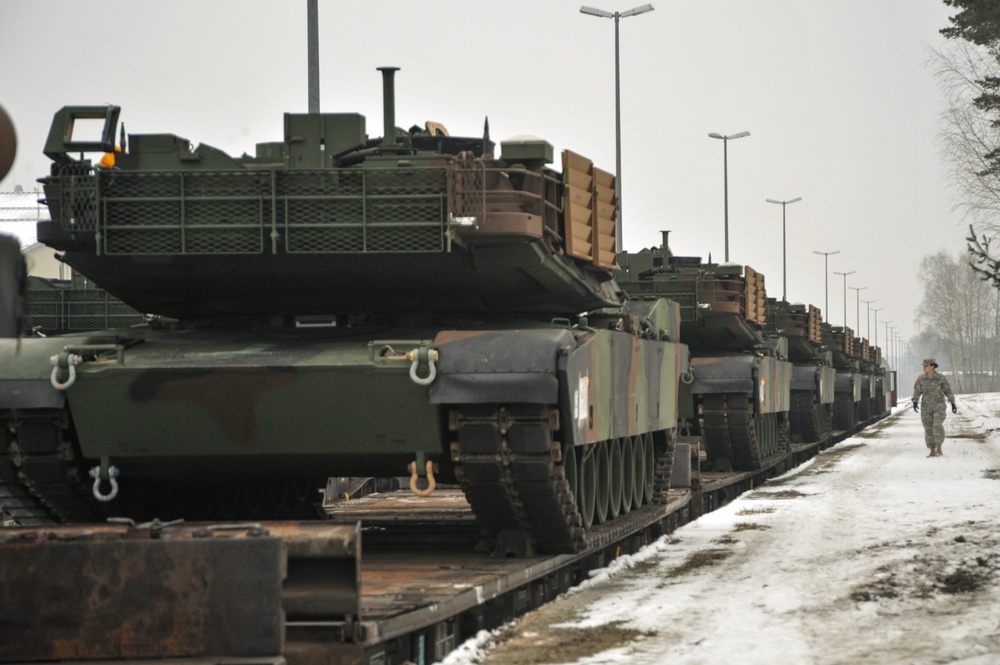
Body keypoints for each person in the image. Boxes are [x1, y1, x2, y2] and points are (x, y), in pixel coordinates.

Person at [912, 358, 957, 457]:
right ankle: (932, 450)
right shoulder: (921, 378)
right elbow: (917, 391)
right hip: (926, 407)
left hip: (939, 406)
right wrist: (915, 401)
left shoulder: (940, 378)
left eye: (926, 366)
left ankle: (939, 448)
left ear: (932, 366)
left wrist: (952, 402)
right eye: (924, 366)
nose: (924, 367)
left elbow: (947, 390)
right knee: (928, 428)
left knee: (937, 426)